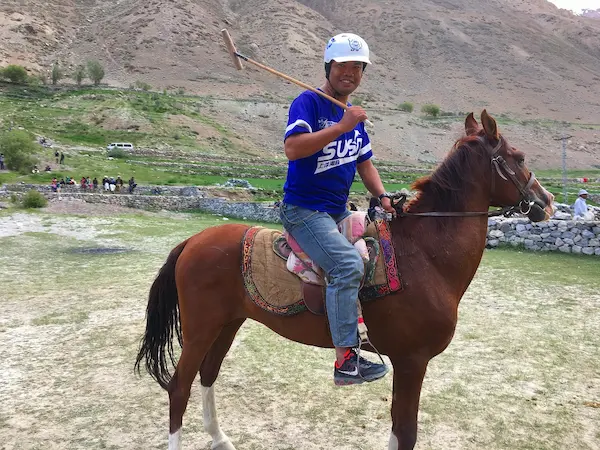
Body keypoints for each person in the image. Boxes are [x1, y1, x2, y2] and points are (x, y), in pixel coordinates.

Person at [279, 33, 396, 386]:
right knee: (347, 264)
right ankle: (345, 361)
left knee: (386, 241)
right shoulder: (308, 103)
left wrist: (384, 196)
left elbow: (366, 165)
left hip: (337, 211)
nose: (351, 72)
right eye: (343, 65)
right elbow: (293, 149)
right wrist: (340, 128)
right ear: (329, 66)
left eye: (358, 67)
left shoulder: (353, 116)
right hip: (304, 210)